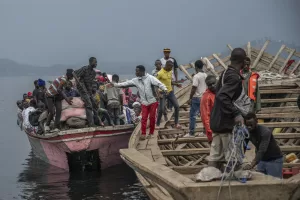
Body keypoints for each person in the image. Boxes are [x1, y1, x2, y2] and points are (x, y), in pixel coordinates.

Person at [209, 48, 248, 169]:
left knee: (215, 157)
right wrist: (236, 113)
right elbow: (222, 96)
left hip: (217, 122)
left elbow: (219, 93)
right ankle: (234, 181)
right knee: (233, 158)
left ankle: (208, 180)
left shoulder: (225, 73)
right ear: (243, 62)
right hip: (226, 124)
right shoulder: (234, 77)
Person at [109, 65, 167, 140]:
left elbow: (159, 83)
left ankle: (151, 132)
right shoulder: (135, 80)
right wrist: (114, 84)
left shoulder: (150, 78)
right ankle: (143, 133)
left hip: (153, 101)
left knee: (152, 117)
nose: (136, 72)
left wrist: (165, 89)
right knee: (144, 118)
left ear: (142, 71)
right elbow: (125, 83)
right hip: (144, 102)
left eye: (137, 71)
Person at [243, 112, 283, 178]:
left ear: (256, 121)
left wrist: (251, 164)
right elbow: (243, 146)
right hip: (261, 160)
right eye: (247, 125)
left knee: (274, 184)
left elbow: (262, 150)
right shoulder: (247, 132)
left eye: (251, 125)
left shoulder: (265, 132)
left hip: (274, 160)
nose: (249, 127)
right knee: (261, 184)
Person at [156, 60, 182, 129]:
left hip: (170, 92)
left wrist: (176, 84)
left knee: (177, 106)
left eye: (172, 67)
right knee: (161, 109)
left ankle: (176, 123)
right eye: (170, 67)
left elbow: (170, 82)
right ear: (167, 65)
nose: (171, 69)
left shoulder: (170, 71)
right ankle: (157, 124)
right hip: (162, 92)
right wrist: (158, 93)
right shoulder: (160, 73)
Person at [74, 57, 98, 127]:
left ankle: (97, 121)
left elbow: (90, 84)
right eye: (95, 62)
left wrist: (91, 94)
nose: (96, 63)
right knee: (89, 104)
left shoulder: (93, 73)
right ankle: (91, 124)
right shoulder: (84, 69)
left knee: (94, 105)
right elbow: (74, 73)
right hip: (82, 89)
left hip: (88, 90)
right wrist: (78, 83)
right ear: (90, 62)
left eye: (96, 62)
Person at [187, 60, 207, 137]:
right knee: (204, 115)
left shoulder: (196, 76)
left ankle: (191, 133)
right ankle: (205, 132)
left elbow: (194, 88)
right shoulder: (205, 75)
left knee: (193, 115)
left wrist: (190, 98)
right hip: (204, 97)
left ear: (196, 67)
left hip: (196, 98)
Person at [200, 75, 217, 142]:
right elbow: (205, 116)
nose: (212, 86)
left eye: (213, 83)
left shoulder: (219, 92)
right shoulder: (206, 97)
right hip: (213, 130)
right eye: (210, 85)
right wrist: (210, 131)